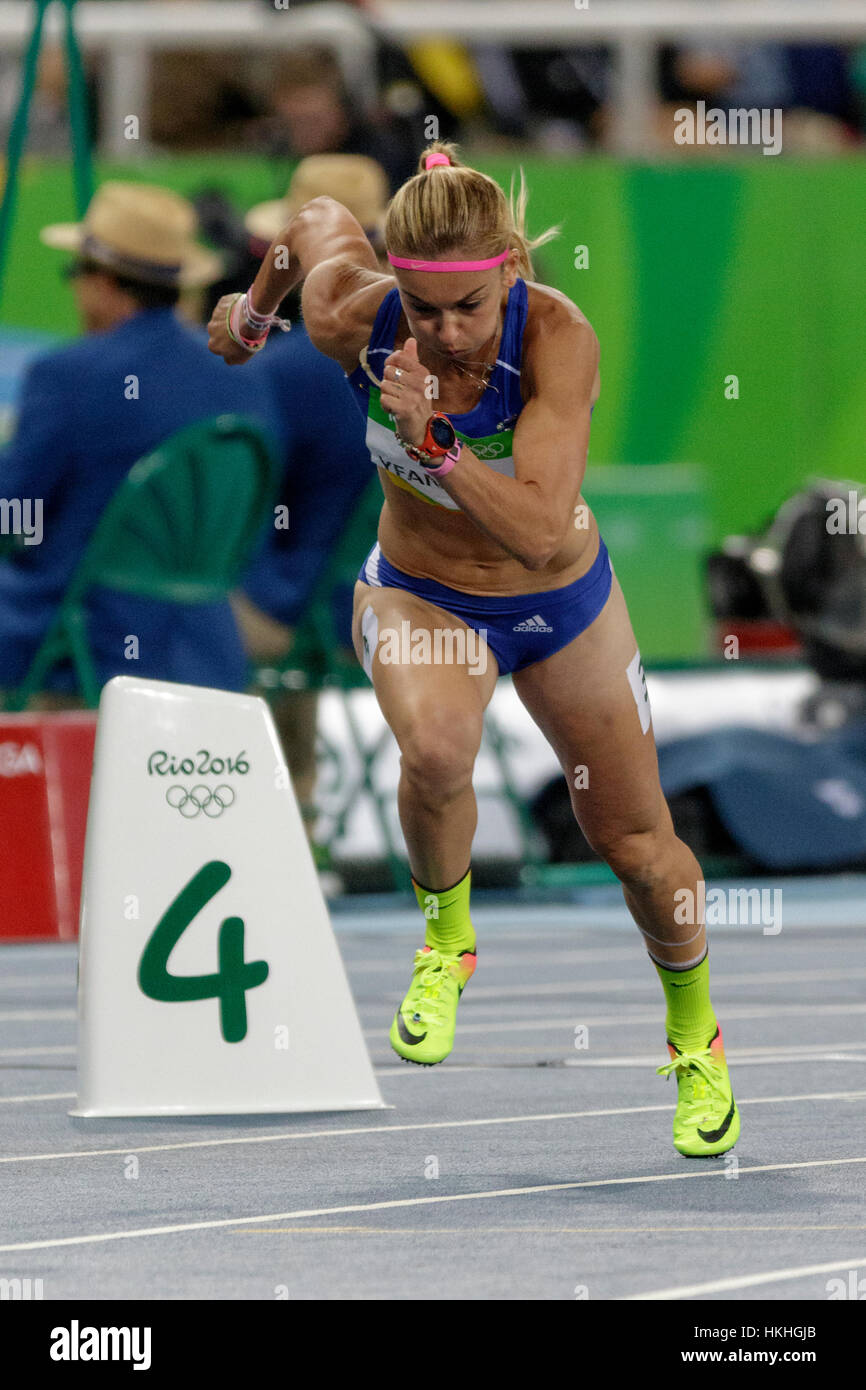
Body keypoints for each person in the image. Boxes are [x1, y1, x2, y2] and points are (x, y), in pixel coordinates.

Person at [207, 140, 739, 1159]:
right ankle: (446, 940)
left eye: (466, 309)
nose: (444, 335)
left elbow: (536, 530)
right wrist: (255, 319)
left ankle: (692, 1036)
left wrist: (434, 438)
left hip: (559, 598)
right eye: (423, 307)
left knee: (635, 845)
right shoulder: (356, 315)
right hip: (422, 597)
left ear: (506, 271)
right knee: (439, 753)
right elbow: (313, 217)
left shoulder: (556, 339)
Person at [0, 181, 284, 702]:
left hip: (77, 633)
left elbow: (14, 513)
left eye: (75, 274)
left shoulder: (67, 374)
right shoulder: (244, 379)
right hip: (207, 638)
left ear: (103, 283)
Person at [233, 155, 391, 838]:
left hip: (312, 618)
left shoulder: (281, 371)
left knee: (170, 600)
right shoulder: (438, 353)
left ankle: (244, 820)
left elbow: (238, 512)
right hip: (401, 608)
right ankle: (294, 806)